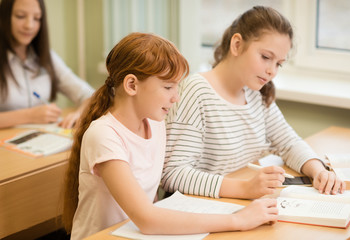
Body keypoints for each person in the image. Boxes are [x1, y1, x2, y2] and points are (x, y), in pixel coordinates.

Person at [62, 32, 279, 240]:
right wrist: (237, 220)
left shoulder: (155, 124)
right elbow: (147, 219)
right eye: (168, 87)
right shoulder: (104, 135)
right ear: (131, 85)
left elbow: (151, 203)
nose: (176, 97)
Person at [162, 6, 345, 200]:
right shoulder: (196, 92)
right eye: (266, 57)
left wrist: (318, 172)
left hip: (238, 204)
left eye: (278, 63)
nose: (272, 71)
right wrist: (244, 188)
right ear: (237, 45)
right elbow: (173, 174)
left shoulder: (255, 91)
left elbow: (289, 143)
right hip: (201, 208)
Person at [0, 0, 94, 129]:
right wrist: (29, 115)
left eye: (37, 18)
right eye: (20, 16)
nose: (29, 25)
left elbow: (89, 94)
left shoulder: (47, 57)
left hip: (41, 140)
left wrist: (81, 113)